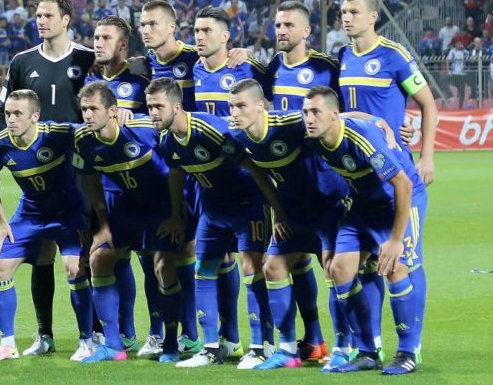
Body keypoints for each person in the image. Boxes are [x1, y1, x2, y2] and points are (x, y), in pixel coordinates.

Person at [146, 77, 284, 369]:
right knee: (204, 270)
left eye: (159, 106)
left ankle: (262, 345)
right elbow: (175, 174)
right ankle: (210, 348)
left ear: (177, 106)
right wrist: (176, 215)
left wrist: (278, 211)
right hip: (213, 208)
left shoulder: (209, 130)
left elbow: (254, 168)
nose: (153, 113)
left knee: (251, 267)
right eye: (150, 107)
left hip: (247, 204)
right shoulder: (167, 140)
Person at [0, 0, 96, 357]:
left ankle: (97, 334)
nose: (41, 21)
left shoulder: (87, 58)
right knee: (42, 253)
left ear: (66, 19)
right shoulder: (22, 61)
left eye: (48, 15)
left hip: (81, 174)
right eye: (38, 15)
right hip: (37, 171)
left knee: (85, 256)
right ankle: (45, 334)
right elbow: (3, 112)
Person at [337, 0, 438, 366]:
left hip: (396, 173)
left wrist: (427, 156)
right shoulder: (343, 57)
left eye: (353, 12)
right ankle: (371, 347)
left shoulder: (394, 56)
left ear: (372, 16)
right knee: (364, 264)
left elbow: (428, 104)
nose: (347, 18)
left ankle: (411, 348)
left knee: (403, 261)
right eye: (343, 12)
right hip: (360, 179)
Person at [226, 79, 352, 370]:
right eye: (231, 106)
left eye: (241, 105)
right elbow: (257, 173)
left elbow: (337, 118)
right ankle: (287, 350)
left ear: (260, 106)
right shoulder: (236, 136)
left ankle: (344, 347)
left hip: (328, 205)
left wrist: (379, 122)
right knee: (273, 267)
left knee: (333, 270)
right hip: (293, 211)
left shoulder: (290, 122)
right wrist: (279, 211)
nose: (234, 112)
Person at [302, 86, 427, 375]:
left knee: (395, 267)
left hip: (399, 200)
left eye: (315, 112)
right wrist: (376, 118)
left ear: (333, 115)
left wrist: (395, 240)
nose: (309, 118)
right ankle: (368, 352)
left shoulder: (361, 138)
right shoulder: (315, 131)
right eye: (306, 112)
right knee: (339, 269)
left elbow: (403, 184)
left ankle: (408, 352)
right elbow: (350, 114)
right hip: (363, 204)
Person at [73, 82, 183, 364]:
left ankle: (172, 341)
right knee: (99, 260)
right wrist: (103, 225)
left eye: (93, 108)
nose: (87, 115)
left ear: (112, 110)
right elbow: (91, 180)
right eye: (84, 109)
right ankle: (113, 344)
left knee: (162, 268)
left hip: (161, 208)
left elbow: (177, 164)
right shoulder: (83, 140)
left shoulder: (144, 129)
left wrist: (177, 214)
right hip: (127, 209)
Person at [0, 89, 90, 362]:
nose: (11, 119)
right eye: (8, 113)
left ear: (35, 117)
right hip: (30, 213)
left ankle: (87, 340)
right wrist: (2, 222)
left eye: (18, 114)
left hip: (67, 212)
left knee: (74, 268)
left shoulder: (59, 133)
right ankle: (7, 345)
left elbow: (93, 133)